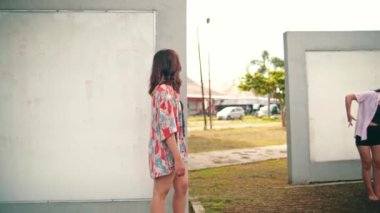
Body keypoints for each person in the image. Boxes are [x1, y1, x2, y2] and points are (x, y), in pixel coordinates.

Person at [148, 49, 188, 213]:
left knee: (183, 186)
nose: (179, 66)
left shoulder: (170, 91)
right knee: (161, 192)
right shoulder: (163, 91)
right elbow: (166, 129)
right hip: (165, 151)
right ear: (169, 65)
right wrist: (178, 158)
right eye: (176, 61)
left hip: (176, 149)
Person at [345, 89, 380, 201]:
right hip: (363, 132)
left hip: (377, 133)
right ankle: (370, 192)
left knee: (378, 164)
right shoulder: (371, 94)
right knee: (367, 163)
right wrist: (349, 115)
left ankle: (377, 191)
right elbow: (348, 97)